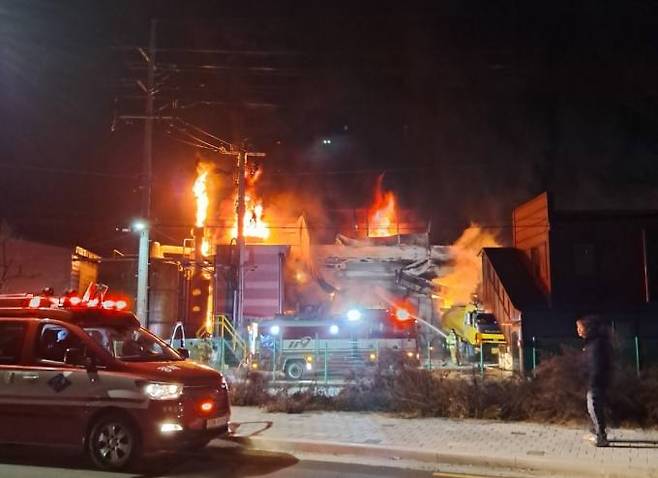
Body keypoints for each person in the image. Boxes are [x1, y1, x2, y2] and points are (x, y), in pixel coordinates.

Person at [576, 315, 612, 447]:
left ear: (588, 329)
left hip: (596, 381)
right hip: (596, 380)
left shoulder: (596, 344)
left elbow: (596, 365)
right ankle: (596, 431)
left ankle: (601, 437)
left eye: (580, 328)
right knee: (594, 407)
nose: (578, 331)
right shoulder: (593, 343)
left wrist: (592, 381)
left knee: (594, 407)